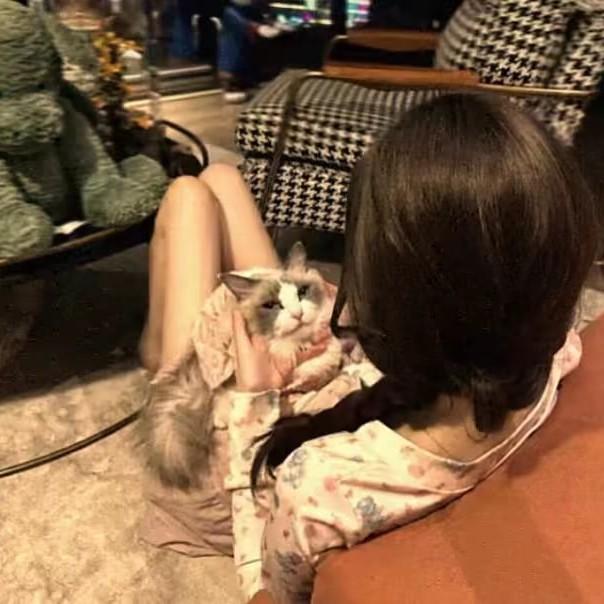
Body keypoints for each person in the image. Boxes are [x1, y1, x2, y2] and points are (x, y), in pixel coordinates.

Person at [139, 93, 598, 602]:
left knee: (188, 197)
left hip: (238, 443)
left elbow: (264, 591)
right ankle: (159, 347)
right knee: (222, 179)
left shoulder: (319, 486)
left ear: (394, 310)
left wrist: (254, 397)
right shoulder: (557, 351)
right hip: (346, 380)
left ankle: (156, 356)